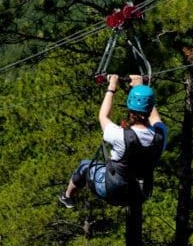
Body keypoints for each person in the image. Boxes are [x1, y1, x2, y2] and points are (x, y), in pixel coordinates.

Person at [60, 74, 168, 207]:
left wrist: (112, 86)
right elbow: (156, 119)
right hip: (140, 194)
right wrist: (140, 87)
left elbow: (103, 116)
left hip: (113, 190)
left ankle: (67, 196)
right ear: (150, 108)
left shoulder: (120, 135)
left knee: (85, 166)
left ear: (130, 110)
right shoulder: (161, 135)